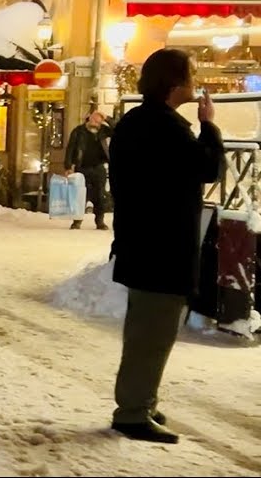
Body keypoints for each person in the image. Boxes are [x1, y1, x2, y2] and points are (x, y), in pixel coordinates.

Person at [108, 48, 223, 444]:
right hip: (161, 250)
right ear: (175, 84)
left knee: (146, 331)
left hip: (143, 246)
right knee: (152, 336)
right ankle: (132, 412)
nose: (197, 81)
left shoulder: (138, 122)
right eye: (192, 74)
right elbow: (208, 167)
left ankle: (141, 401)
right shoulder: (164, 127)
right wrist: (209, 126)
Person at [65, 110, 114, 230]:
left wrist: (107, 118)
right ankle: (77, 221)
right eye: (94, 120)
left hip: (98, 167)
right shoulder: (79, 131)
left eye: (98, 121)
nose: (95, 123)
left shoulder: (103, 130)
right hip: (82, 167)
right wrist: (68, 166)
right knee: (80, 195)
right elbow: (70, 148)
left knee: (100, 195)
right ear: (89, 118)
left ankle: (99, 221)